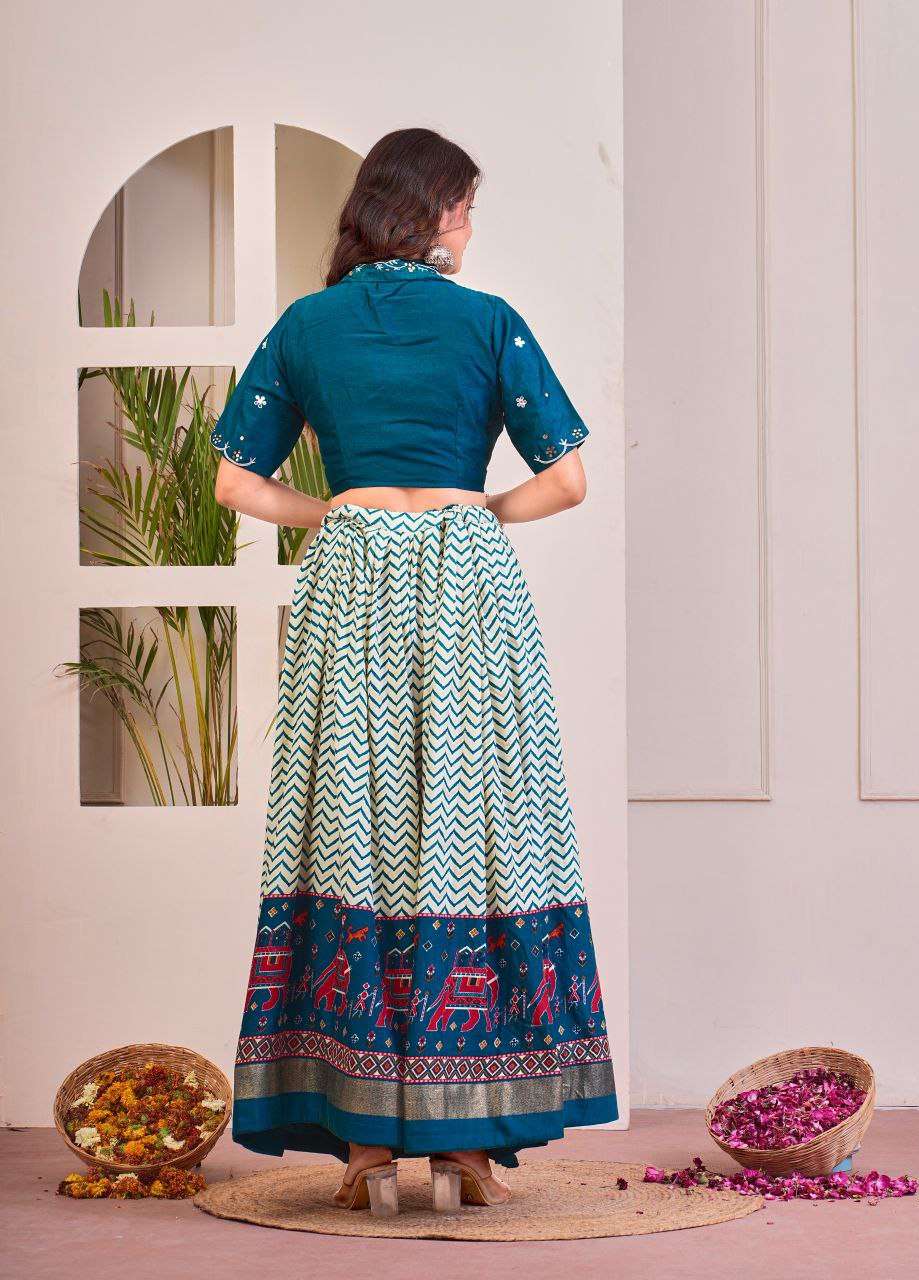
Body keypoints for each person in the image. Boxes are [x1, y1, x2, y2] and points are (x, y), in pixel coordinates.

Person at [213, 126, 617, 1215]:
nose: (470, 229)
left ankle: (362, 1147)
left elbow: (235, 484)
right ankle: (467, 1147)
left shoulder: (307, 325)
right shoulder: (488, 321)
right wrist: (477, 514)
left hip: (351, 583)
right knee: (476, 833)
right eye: (466, 208)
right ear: (437, 212)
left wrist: (334, 511)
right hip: (465, 581)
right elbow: (568, 479)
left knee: (354, 827)